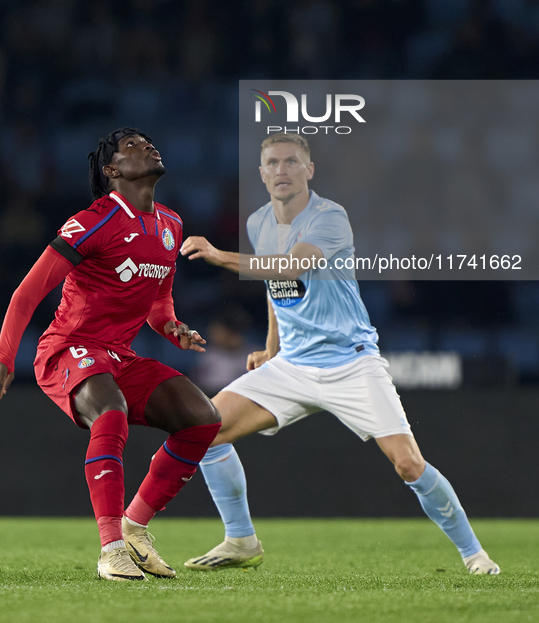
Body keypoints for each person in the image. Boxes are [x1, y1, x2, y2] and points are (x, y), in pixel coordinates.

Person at [180, 133, 500, 576]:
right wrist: (273, 349)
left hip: (351, 363)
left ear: (309, 170)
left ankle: (475, 555)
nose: (282, 170)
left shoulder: (329, 218)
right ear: (261, 173)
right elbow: (278, 287)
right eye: (272, 163)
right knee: (204, 430)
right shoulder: (258, 222)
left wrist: (218, 255)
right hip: (293, 365)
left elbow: (290, 266)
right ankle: (241, 540)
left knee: (408, 463)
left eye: (292, 162)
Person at [0, 128, 221, 582]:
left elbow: (158, 303)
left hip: (118, 356)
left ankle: (134, 526)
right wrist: (3, 355)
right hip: (66, 349)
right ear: (112, 171)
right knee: (109, 412)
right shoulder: (94, 220)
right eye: (132, 144)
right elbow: (27, 293)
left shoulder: (170, 225)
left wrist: (173, 328)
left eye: (149, 141)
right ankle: (110, 548)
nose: (148, 145)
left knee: (202, 418)